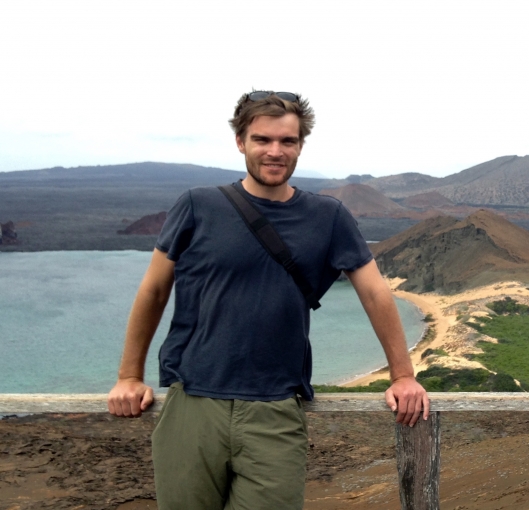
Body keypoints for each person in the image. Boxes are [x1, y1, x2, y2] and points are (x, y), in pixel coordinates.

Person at [107, 90, 429, 509]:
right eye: (262, 139)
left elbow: (374, 291)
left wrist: (402, 375)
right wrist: (130, 376)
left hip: (275, 410)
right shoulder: (196, 206)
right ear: (240, 142)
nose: (275, 151)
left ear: (299, 146)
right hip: (193, 403)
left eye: (287, 141)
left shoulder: (328, 216)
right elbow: (153, 290)